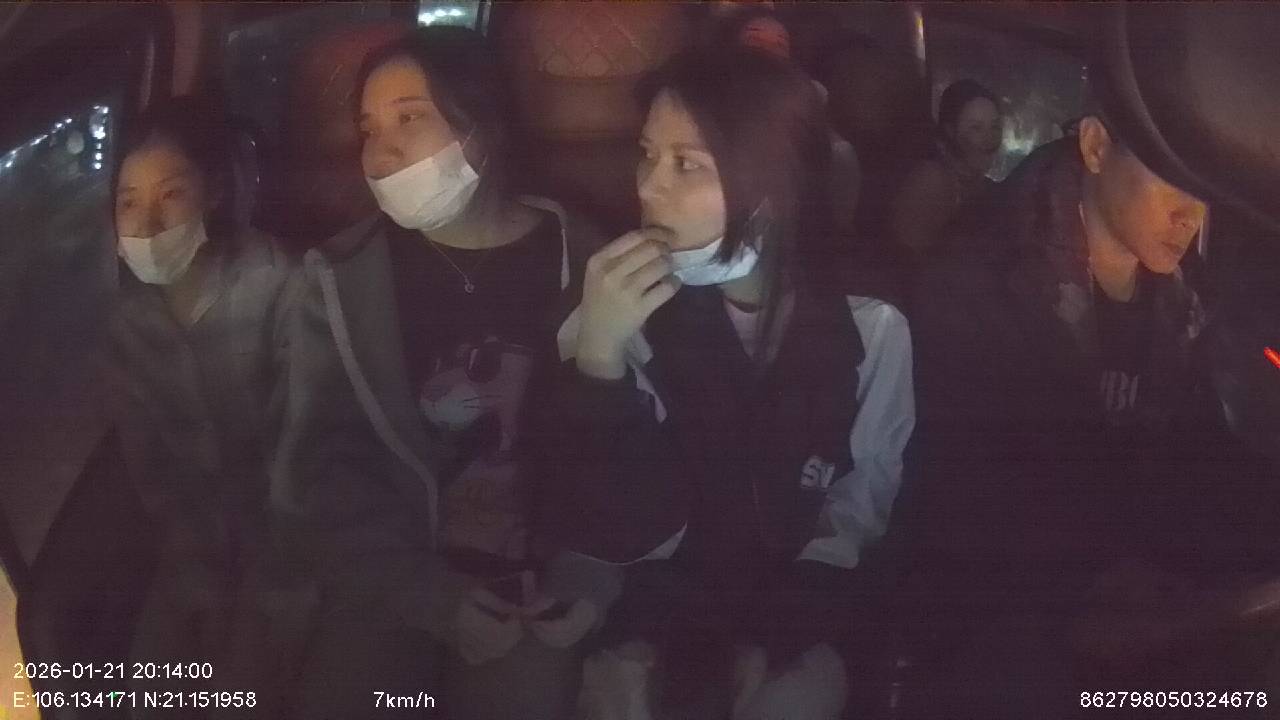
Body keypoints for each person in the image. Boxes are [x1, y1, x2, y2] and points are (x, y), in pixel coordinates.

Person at [548, 46, 914, 720]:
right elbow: (613, 531)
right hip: (643, 621)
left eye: (686, 163)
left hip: (788, 623)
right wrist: (598, 360)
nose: (649, 186)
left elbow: (854, 516)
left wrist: (772, 638)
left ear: (774, 181)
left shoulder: (871, 329)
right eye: (647, 155)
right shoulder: (614, 315)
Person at [268, 26, 613, 719]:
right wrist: (423, 594)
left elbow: (623, 443)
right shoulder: (335, 283)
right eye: (368, 128)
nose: (379, 150)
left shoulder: (589, 261)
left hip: (536, 586)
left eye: (409, 118)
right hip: (390, 582)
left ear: (482, 127)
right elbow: (317, 470)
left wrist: (591, 573)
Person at [902, 65, 1251, 714]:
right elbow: (966, 500)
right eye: (1173, 181)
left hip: (1139, 607)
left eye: (1205, 190)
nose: (1191, 215)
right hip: (1001, 625)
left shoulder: (1185, 293)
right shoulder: (981, 275)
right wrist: (1106, 590)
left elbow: (1199, 452)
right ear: (1095, 147)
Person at [103, 95, 302, 718]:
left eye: (171, 194)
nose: (147, 223)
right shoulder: (128, 321)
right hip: (194, 543)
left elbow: (309, 445)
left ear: (213, 194)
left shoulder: (277, 280)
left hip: (292, 539)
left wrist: (263, 578)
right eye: (128, 201)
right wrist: (194, 570)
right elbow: (151, 466)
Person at [889, 79, 1003, 258]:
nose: (990, 139)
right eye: (976, 128)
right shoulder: (931, 181)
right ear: (950, 131)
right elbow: (900, 263)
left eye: (995, 127)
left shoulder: (981, 185)